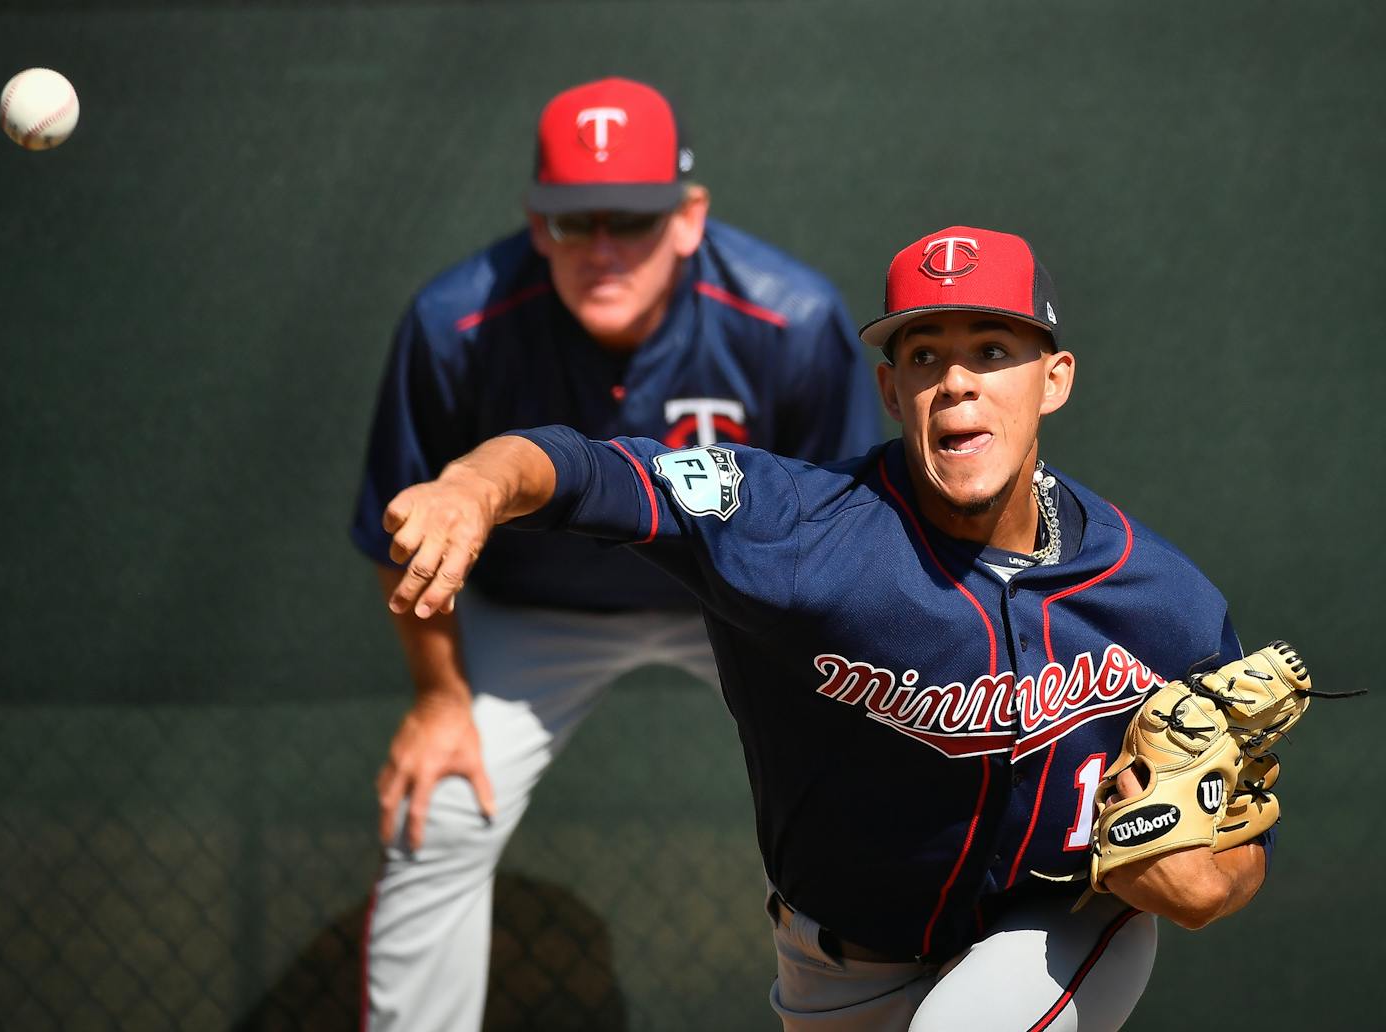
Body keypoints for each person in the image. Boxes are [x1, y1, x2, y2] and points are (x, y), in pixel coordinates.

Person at [376, 225, 1275, 1030]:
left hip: (1057, 929)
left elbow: (1245, 837)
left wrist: (1214, 886)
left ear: (1055, 380)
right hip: (834, 962)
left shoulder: (1161, 600)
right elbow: (585, 468)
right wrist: (474, 487)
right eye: (925, 356)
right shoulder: (796, 526)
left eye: (993, 349)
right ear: (891, 389)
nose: (956, 381)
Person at [350, 77, 883, 1031]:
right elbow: (406, 531)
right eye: (572, 220)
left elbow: (841, 535)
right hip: (530, 610)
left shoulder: (789, 322)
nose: (602, 249)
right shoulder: (456, 325)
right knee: (435, 815)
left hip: (738, 606)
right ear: (534, 219)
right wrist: (437, 700)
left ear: (687, 219)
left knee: (867, 800)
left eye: (631, 220)